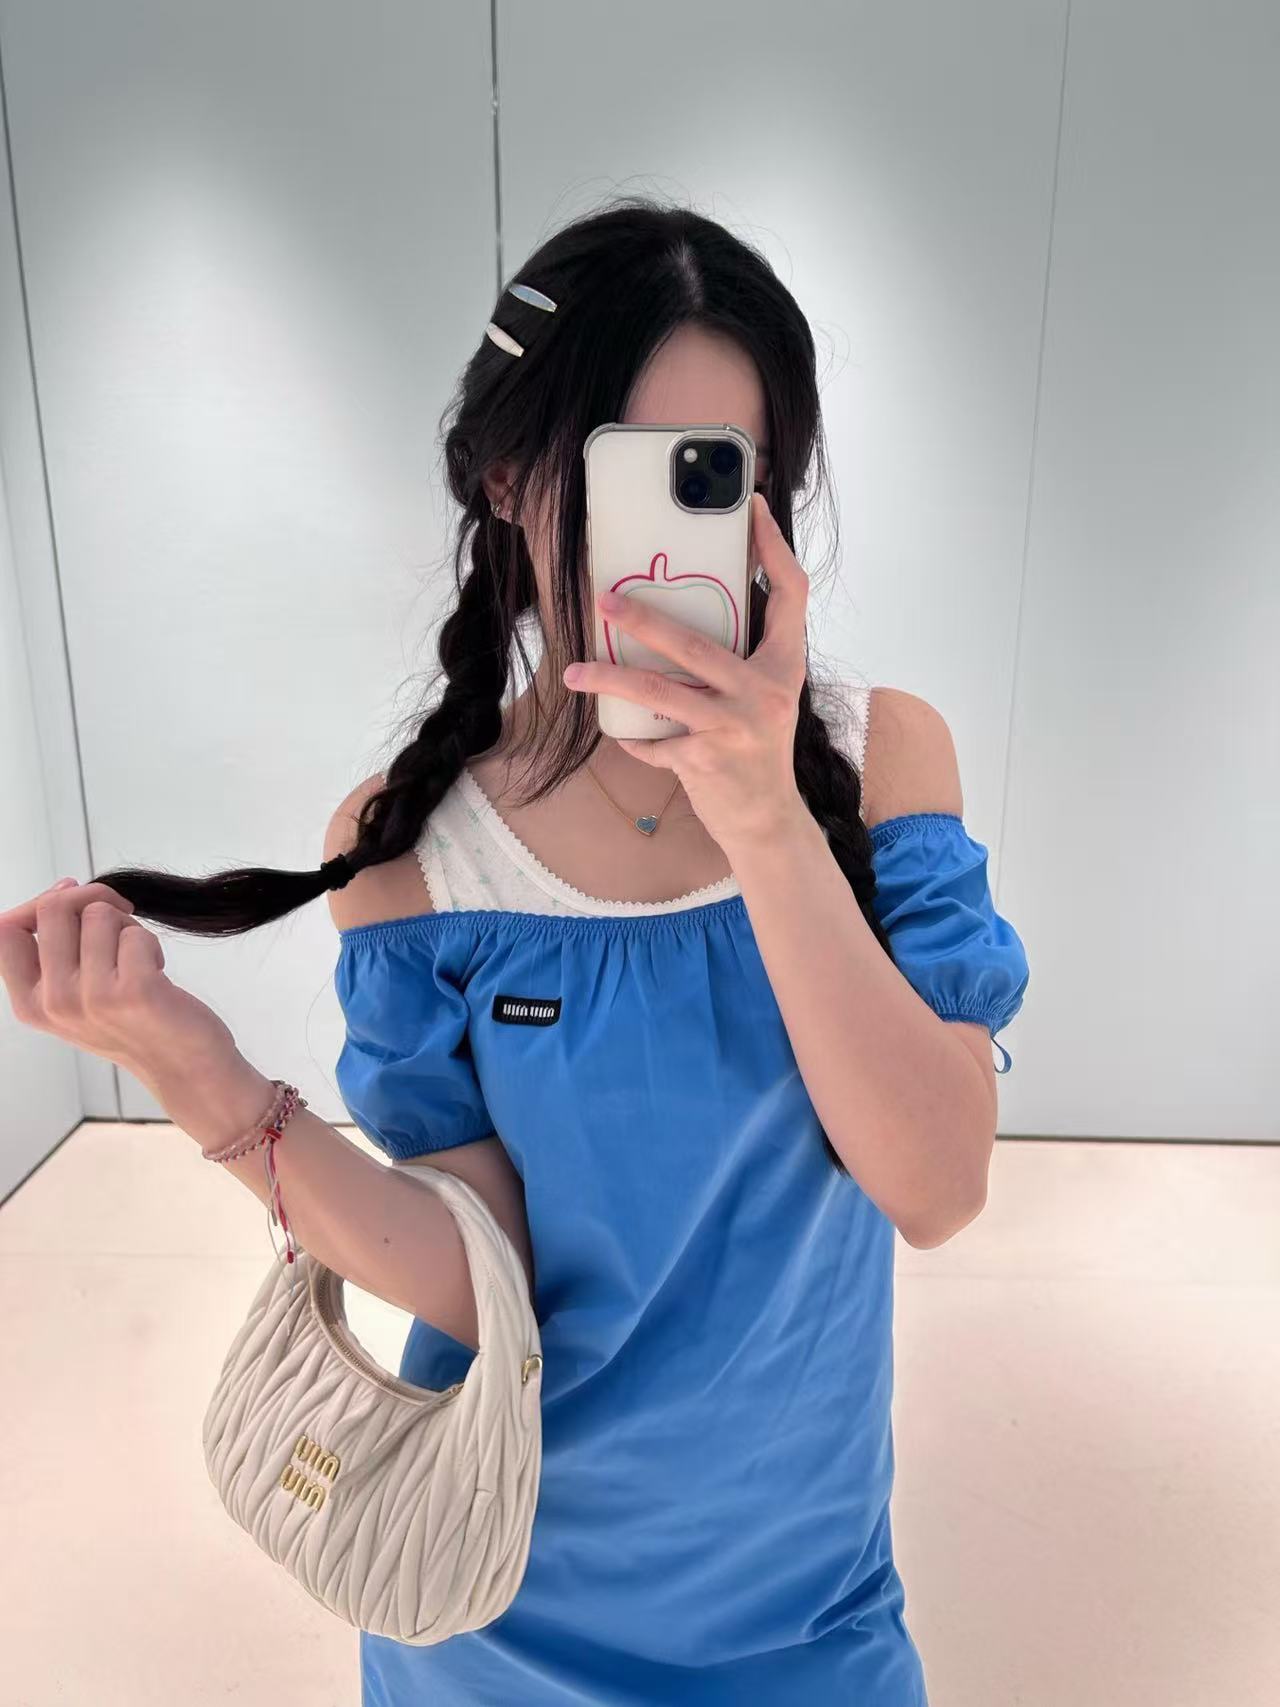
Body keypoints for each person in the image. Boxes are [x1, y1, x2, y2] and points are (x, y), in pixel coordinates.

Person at [0, 196, 1029, 1705]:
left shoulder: (880, 767)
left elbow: (937, 1187)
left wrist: (762, 816)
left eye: (715, 473)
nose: (666, 529)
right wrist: (193, 1072)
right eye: (619, 469)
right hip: (494, 1611)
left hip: (807, 1615)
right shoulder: (418, 853)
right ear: (504, 476)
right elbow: (478, 1281)